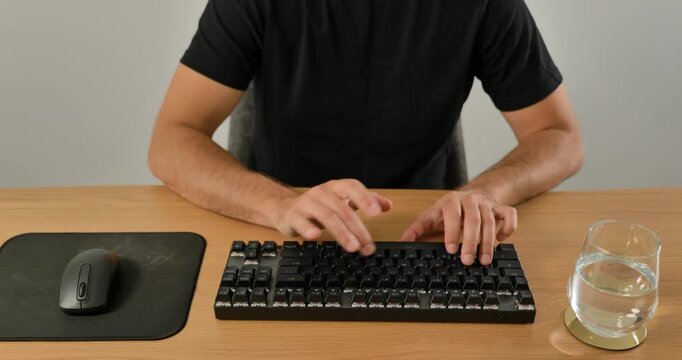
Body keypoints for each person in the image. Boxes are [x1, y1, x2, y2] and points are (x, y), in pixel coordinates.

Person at [148, 0, 584, 266]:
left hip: (424, 237)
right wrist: (279, 204)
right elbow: (172, 139)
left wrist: (488, 193)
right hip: (283, 229)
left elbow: (559, 136)